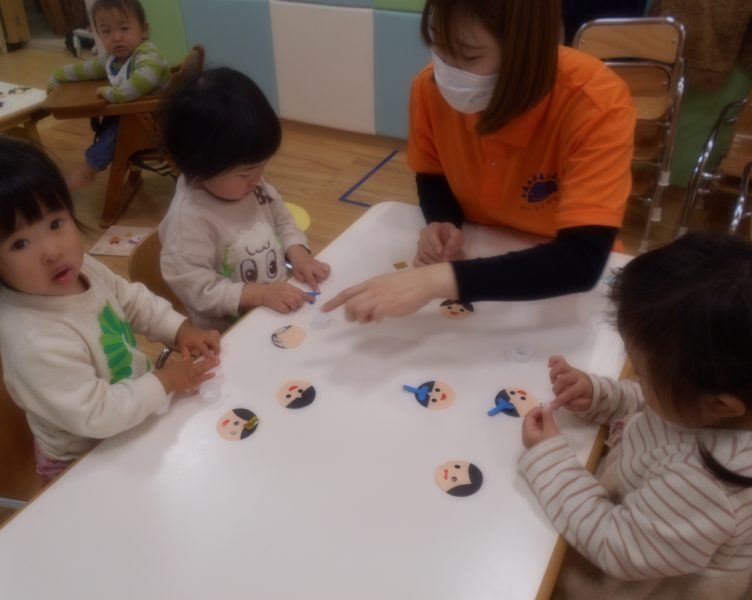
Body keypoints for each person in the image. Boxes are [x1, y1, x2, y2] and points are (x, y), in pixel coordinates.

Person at [322, 0, 635, 323]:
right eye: (438, 45)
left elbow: (581, 260)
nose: (447, 70)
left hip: (554, 277)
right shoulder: (428, 88)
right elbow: (432, 174)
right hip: (479, 252)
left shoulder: (596, 105)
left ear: (526, 52)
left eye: (469, 56)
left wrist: (435, 281)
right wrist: (442, 220)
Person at [0, 137, 220, 483]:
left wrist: (178, 328)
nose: (52, 251)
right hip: (85, 457)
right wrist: (164, 381)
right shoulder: (34, 340)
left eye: (55, 223)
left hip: (133, 410)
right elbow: (97, 414)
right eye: (20, 243)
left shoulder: (80, 268)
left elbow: (131, 299)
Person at [521, 233, 752, 599]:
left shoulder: (705, 487)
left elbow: (616, 546)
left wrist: (547, 458)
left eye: (641, 373)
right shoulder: (715, 406)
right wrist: (599, 395)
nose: (636, 378)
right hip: (650, 521)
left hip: (647, 574)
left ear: (721, 405)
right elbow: (659, 411)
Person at [158, 67, 330, 330]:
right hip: (232, 332)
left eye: (262, 165)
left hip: (277, 307)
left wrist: (299, 254)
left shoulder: (250, 185)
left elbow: (282, 219)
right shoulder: (187, 221)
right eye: (245, 173)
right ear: (197, 166)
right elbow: (200, 291)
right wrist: (261, 294)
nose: (258, 178)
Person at [48, 0, 171, 190]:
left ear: (144, 30)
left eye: (124, 28)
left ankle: (89, 170)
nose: (116, 37)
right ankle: (102, 155)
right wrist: (58, 76)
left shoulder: (148, 54)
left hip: (157, 120)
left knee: (117, 131)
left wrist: (111, 93)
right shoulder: (113, 59)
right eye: (106, 31)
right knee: (111, 124)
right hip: (135, 114)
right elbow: (87, 69)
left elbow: (141, 82)